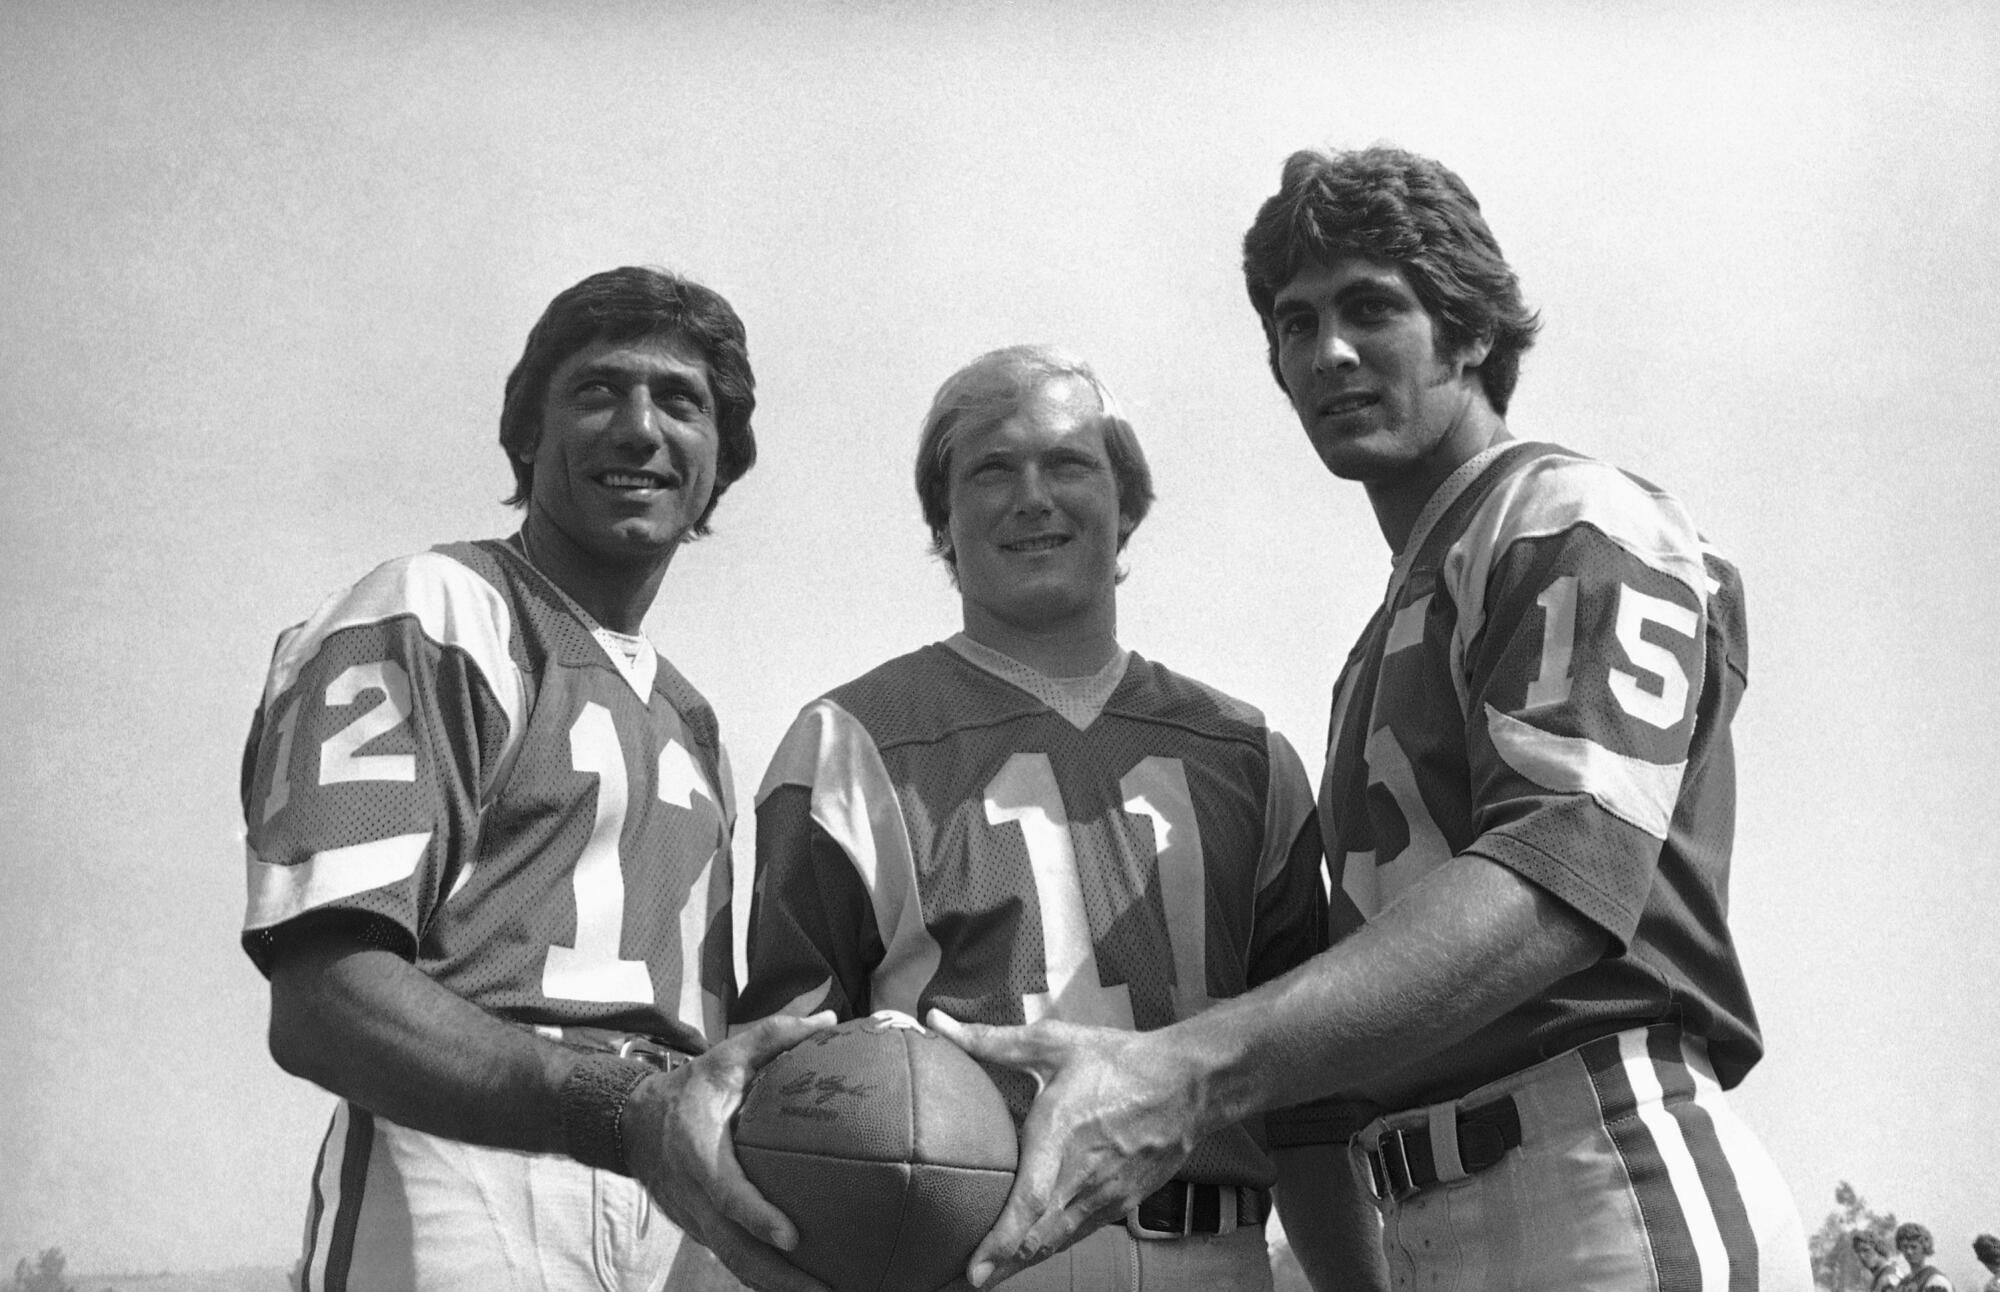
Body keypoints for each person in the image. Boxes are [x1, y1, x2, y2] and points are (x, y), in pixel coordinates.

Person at [931, 146, 1813, 1291]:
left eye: (1369, 308)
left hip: (1601, 1173)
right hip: (1427, 1211)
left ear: (1470, 328)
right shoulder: (1389, 623)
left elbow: (1560, 876)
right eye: (1294, 323)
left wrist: (1184, 1067)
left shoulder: (1567, 514)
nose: (1327, 351)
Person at [238, 266, 829, 1292]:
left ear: (719, 461)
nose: (639, 428)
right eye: (598, 390)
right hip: (468, 1157)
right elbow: (325, 998)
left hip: (674, 1180)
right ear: (526, 434)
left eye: (680, 401)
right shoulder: (432, 606)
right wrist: (615, 1110)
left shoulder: (690, 716)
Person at [732, 345, 1345, 1290]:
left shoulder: (1247, 755)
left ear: (1126, 503)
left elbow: (1309, 1095)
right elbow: (786, 1085)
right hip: (966, 1255)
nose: (1032, 497)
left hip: (1222, 1254)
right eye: (991, 470)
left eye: (1067, 463)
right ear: (942, 519)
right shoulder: (847, 741)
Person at [1895, 1224, 1956, 1291]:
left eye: (1913, 1247)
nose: (1909, 1251)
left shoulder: (1936, 1280)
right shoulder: (1903, 1283)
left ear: (1924, 1247)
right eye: (1905, 1247)